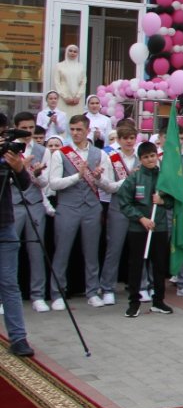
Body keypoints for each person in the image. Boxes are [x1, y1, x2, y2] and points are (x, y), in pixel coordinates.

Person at [47, 114, 106, 308]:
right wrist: (77, 177)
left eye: (79, 129)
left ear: (87, 130)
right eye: (72, 129)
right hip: (67, 207)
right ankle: (57, 293)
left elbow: (106, 184)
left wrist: (98, 178)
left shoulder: (99, 154)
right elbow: (54, 183)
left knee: (91, 252)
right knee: (62, 251)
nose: (75, 133)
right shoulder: (61, 153)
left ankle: (92, 291)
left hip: (91, 207)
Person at [115, 142, 175, 317]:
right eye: (146, 157)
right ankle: (134, 302)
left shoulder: (163, 178)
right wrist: (141, 218)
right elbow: (124, 203)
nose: (150, 160)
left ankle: (159, 301)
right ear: (140, 159)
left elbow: (173, 200)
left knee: (159, 265)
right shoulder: (134, 178)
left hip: (159, 226)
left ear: (157, 156)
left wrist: (163, 201)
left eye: (152, 156)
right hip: (138, 228)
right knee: (136, 265)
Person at [1, 115, 37, 356]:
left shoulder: (8, 155)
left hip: (5, 224)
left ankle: (18, 338)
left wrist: (18, 167)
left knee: (9, 283)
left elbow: (25, 185)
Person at [10, 113, 50, 312]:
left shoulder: (43, 151)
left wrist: (36, 174)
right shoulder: (9, 149)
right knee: (9, 251)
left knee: (36, 250)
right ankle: (4, 297)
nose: (28, 132)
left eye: (31, 128)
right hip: (13, 204)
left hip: (34, 203)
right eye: (24, 128)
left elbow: (45, 183)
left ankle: (38, 296)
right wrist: (21, 170)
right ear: (16, 127)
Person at [98, 125, 142, 306]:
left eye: (132, 138)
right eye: (125, 138)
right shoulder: (112, 159)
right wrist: (129, 179)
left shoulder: (141, 158)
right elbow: (108, 186)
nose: (129, 141)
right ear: (119, 140)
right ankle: (108, 287)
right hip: (119, 207)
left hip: (139, 208)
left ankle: (141, 285)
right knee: (114, 249)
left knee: (139, 249)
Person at [53, 45, 87, 118]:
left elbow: (83, 82)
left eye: (75, 51)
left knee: (76, 119)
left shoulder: (81, 66)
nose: (72, 53)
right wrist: (65, 97)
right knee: (62, 118)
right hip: (63, 98)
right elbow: (57, 82)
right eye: (70, 51)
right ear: (66, 52)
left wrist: (78, 96)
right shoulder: (59, 66)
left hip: (77, 99)